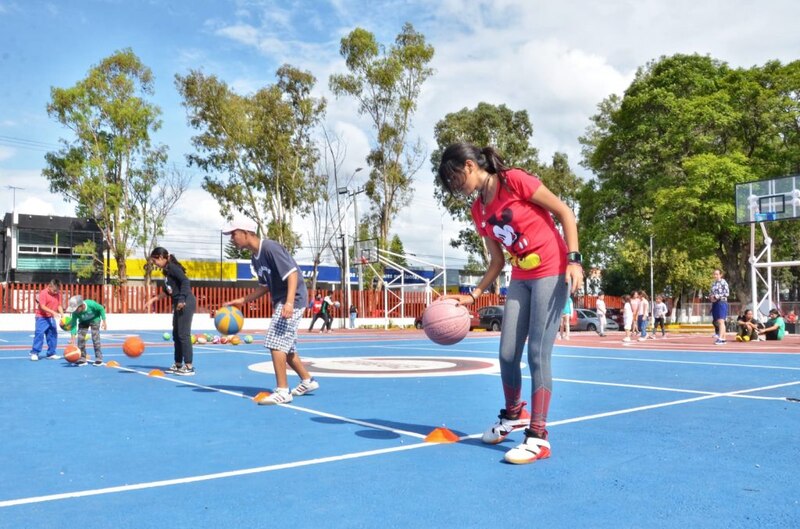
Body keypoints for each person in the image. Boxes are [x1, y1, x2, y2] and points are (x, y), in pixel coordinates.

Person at [437, 142, 582, 465]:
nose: (455, 187)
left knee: (537, 355)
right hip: (520, 275)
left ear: (470, 167)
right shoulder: (479, 210)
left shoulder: (513, 180)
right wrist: (473, 294)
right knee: (506, 354)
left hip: (552, 268)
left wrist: (575, 260)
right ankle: (515, 414)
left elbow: (564, 212)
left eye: (455, 178)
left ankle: (538, 437)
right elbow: (496, 260)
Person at [221, 219, 318, 404]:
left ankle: (283, 391)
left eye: (233, 234)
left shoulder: (270, 248)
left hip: (293, 299)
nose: (232, 239)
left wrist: (289, 303)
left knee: (275, 341)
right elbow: (264, 286)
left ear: (246, 232)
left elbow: (292, 274)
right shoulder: (255, 257)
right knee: (286, 348)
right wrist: (241, 300)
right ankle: (308, 380)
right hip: (284, 300)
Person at [144, 247, 197, 376]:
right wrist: (153, 300)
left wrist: (182, 300)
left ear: (161, 258)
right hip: (179, 303)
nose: (155, 264)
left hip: (185, 302)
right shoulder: (167, 271)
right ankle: (178, 364)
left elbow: (185, 281)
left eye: (155, 261)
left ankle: (189, 366)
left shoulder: (172, 267)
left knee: (183, 334)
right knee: (176, 334)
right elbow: (168, 291)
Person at [64, 295, 107, 366]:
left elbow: (101, 308)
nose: (74, 310)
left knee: (95, 338)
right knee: (80, 339)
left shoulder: (91, 304)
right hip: (83, 321)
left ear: (82, 305)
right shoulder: (75, 313)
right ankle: (82, 358)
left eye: (76, 308)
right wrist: (72, 337)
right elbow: (74, 324)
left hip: (95, 319)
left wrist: (104, 321)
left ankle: (99, 358)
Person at [30, 279, 64, 361]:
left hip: (51, 317)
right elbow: (42, 306)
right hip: (41, 317)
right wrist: (53, 312)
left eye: (57, 290)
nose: (56, 292)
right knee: (39, 334)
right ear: (49, 286)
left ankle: (51, 353)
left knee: (53, 335)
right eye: (54, 290)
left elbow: (59, 305)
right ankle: (35, 353)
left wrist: (62, 314)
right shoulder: (43, 293)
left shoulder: (57, 294)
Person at [710, 269, 730, 345]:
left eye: (717, 274)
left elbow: (727, 293)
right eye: (714, 274)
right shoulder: (713, 283)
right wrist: (711, 297)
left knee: (721, 321)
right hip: (715, 303)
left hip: (721, 302)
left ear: (720, 275)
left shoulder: (723, 282)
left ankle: (720, 338)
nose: (715, 276)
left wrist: (716, 296)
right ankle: (724, 338)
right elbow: (711, 293)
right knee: (718, 321)